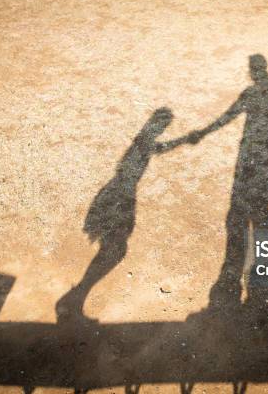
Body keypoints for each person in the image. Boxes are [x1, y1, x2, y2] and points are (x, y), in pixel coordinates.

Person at [56, 107, 191, 321]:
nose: (163, 128)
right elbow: (154, 150)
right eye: (163, 124)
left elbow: (156, 149)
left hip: (120, 194)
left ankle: (77, 296)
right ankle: (75, 296)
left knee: (115, 248)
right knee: (116, 249)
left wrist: (182, 140)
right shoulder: (143, 142)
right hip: (120, 195)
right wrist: (185, 140)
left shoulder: (143, 140)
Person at [188, 54, 268, 322]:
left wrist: (203, 132)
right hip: (263, 156)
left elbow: (228, 116)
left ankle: (254, 264)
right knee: (255, 208)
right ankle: (261, 275)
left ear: (254, 71)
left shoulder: (258, 91)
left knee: (243, 211)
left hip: (252, 156)